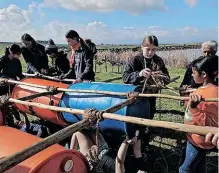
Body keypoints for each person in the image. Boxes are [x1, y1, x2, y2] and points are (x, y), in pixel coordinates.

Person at [179, 56, 218, 173]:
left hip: (199, 139)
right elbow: (190, 108)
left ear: (204, 74)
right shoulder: (200, 91)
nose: (192, 75)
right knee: (199, 165)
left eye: (194, 72)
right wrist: (187, 97)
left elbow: (209, 123)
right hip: (194, 136)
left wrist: (193, 107)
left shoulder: (212, 95)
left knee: (184, 169)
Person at [123, 35, 170, 120]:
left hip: (151, 95)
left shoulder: (158, 60)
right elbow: (125, 78)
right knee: (136, 118)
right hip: (136, 96)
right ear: (142, 47)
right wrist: (139, 74)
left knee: (150, 114)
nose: (150, 52)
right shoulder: (135, 60)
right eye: (148, 49)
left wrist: (160, 76)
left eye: (154, 49)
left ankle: (148, 130)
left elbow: (167, 78)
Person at [70, 129, 147, 173]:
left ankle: (69, 159)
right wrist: (138, 134)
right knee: (90, 129)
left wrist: (126, 141)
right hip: (105, 149)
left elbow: (119, 162)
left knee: (78, 133)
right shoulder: (141, 166)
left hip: (95, 159)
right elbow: (137, 150)